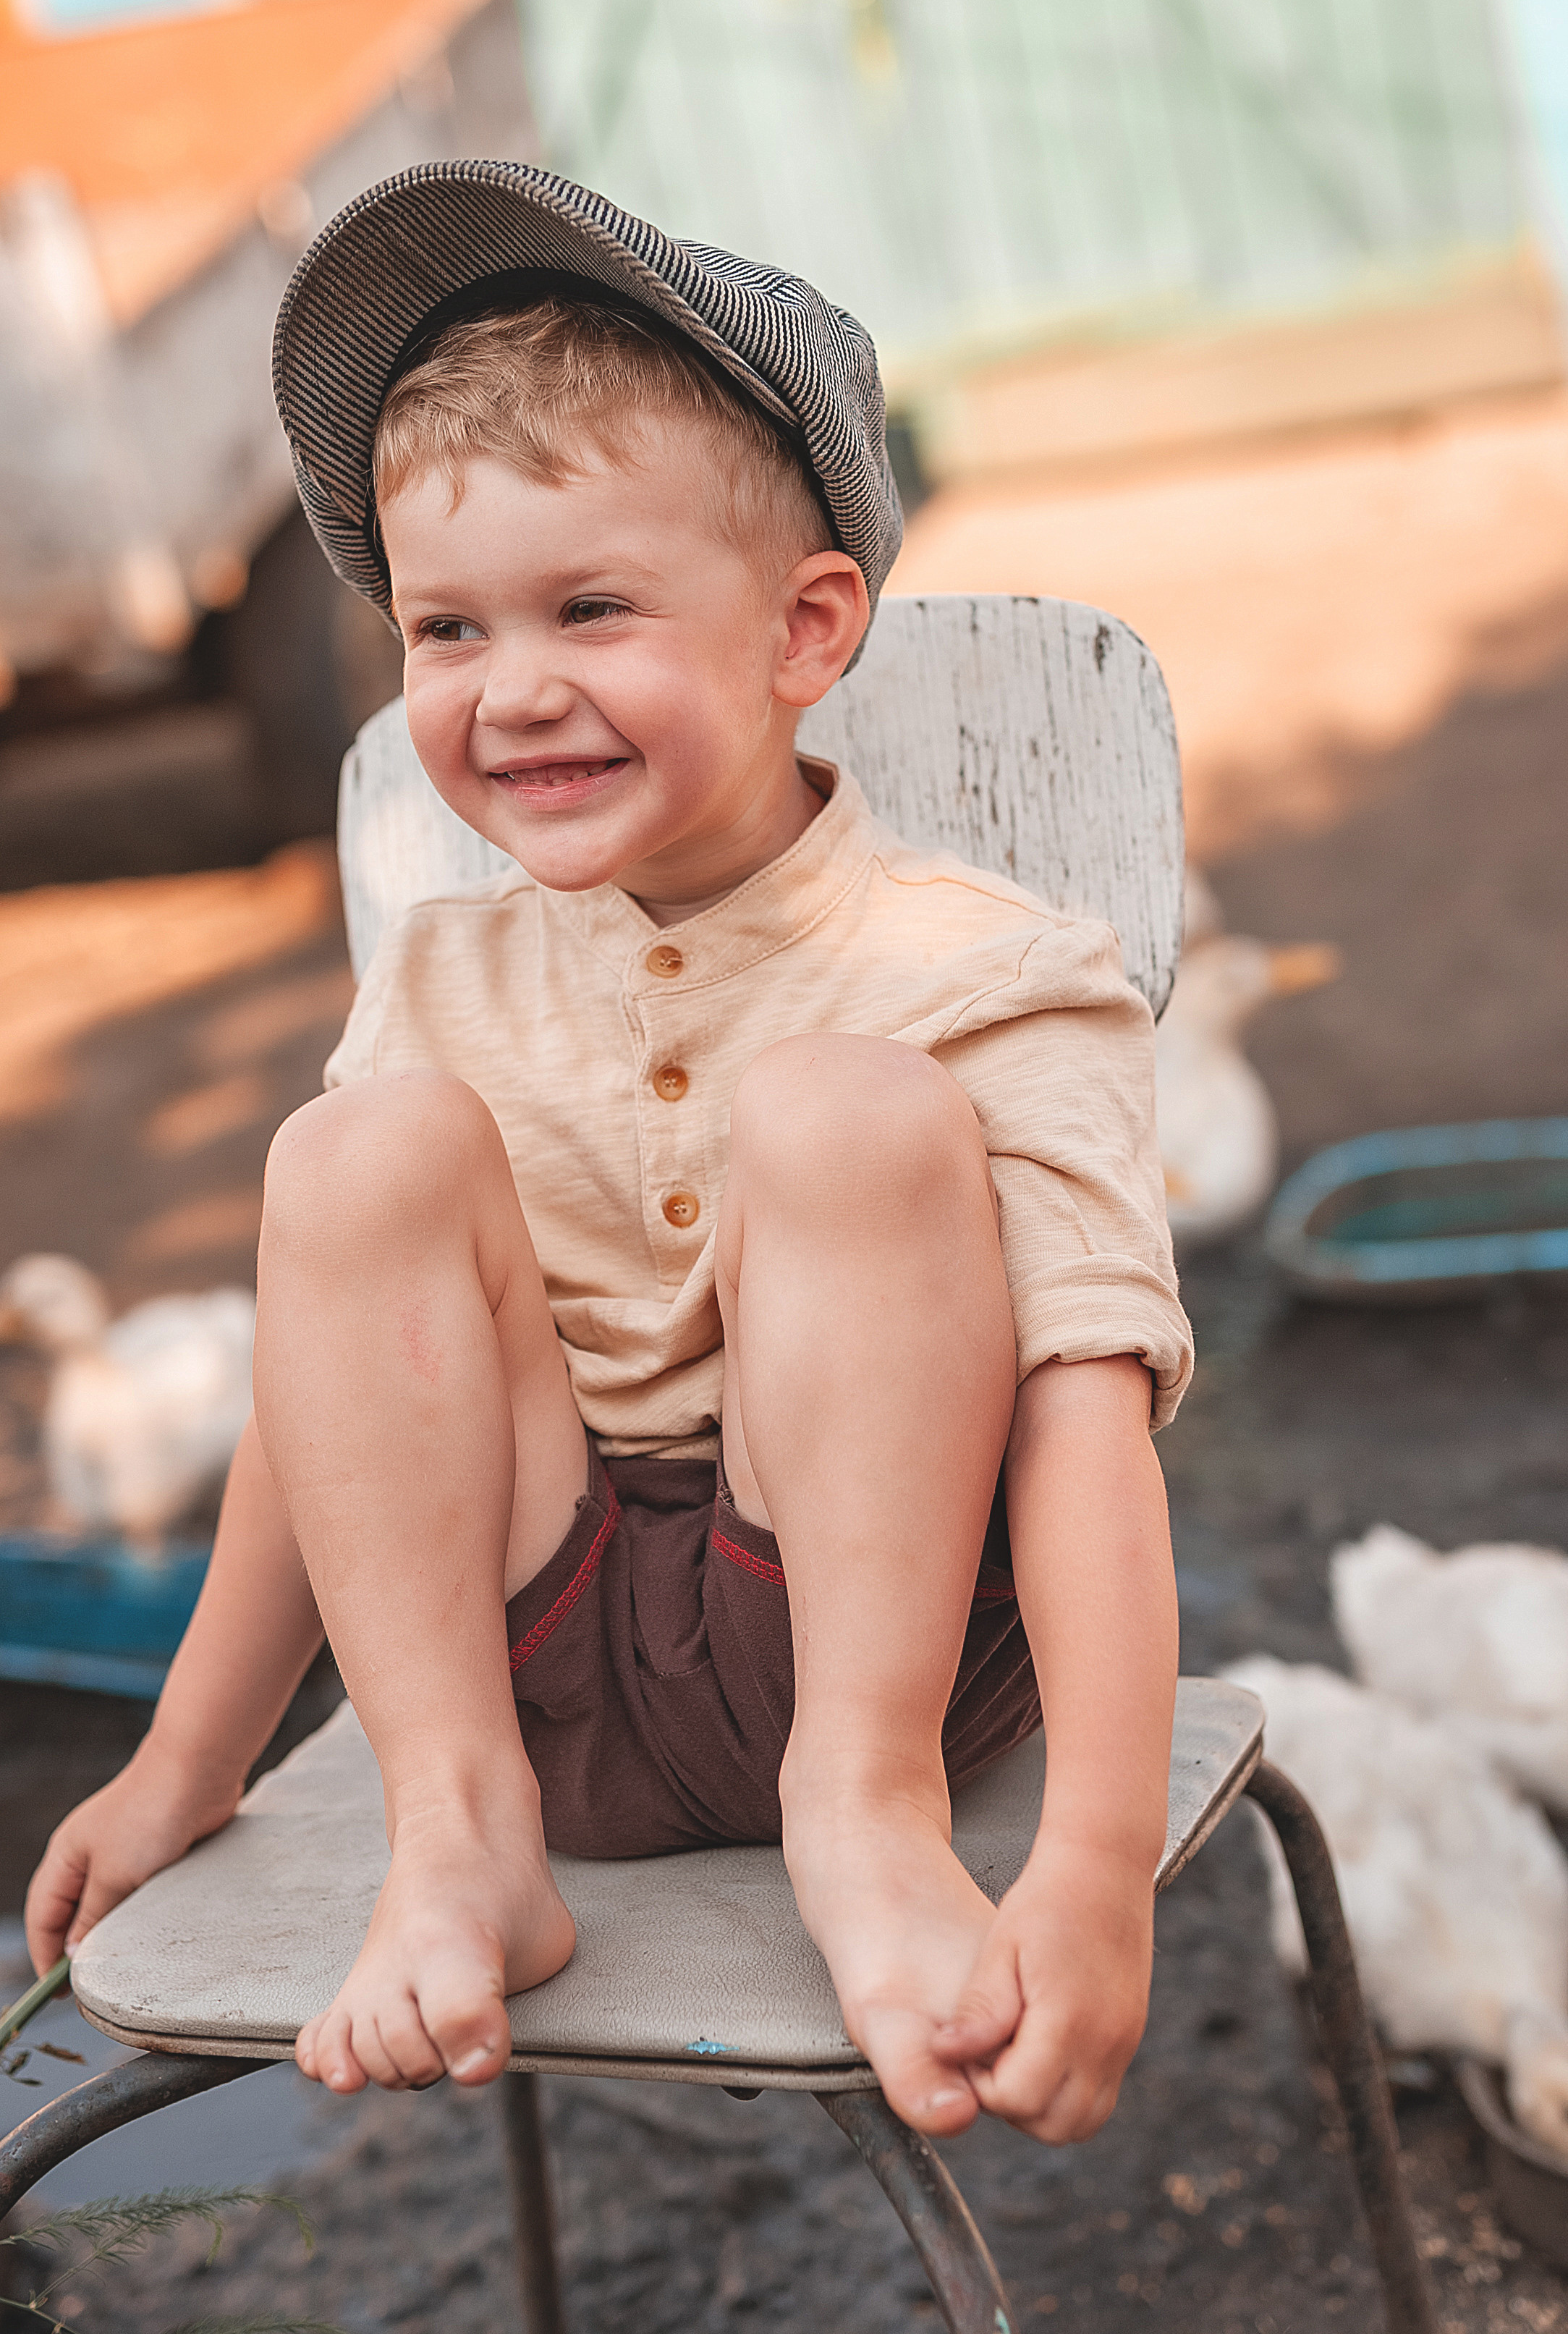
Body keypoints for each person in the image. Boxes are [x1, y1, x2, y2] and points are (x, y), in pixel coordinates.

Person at [25, 164, 1192, 2145]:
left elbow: (1087, 1413)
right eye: (450, 628)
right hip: (534, 1665)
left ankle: (863, 1817)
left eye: (592, 608)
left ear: (807, 628)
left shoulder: (989, 971)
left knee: (842, 1105)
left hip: (865, 1633)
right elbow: (337, 1417)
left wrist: (1090, 1861)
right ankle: (460, 1833)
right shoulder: (444, 973)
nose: (515, 688)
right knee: (346, 1163)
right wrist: (183, 1758)